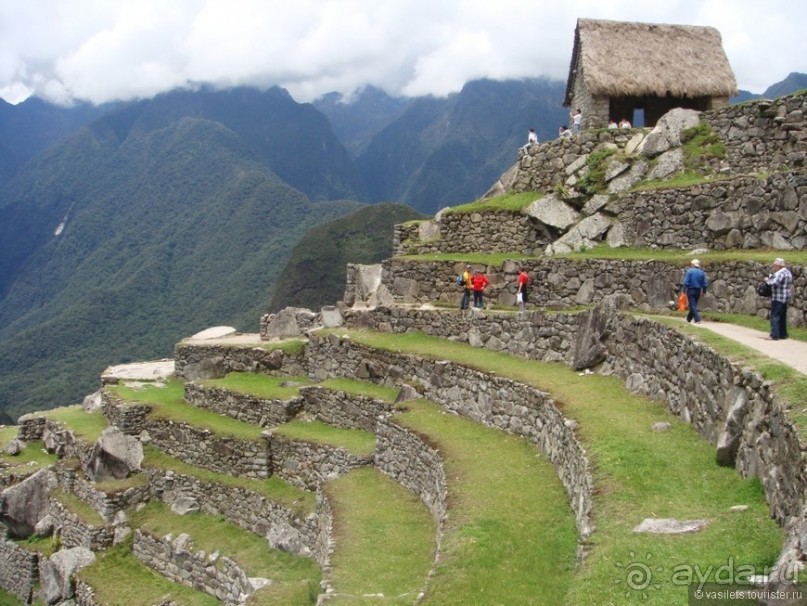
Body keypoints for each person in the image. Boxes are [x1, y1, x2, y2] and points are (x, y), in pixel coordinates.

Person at [765, 257, 793, 340]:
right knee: (782, 316)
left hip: (778, 297)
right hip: (785, 297)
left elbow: (774, 283)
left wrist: (767, 280)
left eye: (775, 265)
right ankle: (783, 334)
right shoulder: (787, 272)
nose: (774, 267)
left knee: (775, 316)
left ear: (779, 266)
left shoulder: (781, 273)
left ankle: (774, 335)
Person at [681, 259, 708, 324]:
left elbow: (686, 282)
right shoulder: (702, 272)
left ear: (693, 265)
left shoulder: (690, 271)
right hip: (698, 291)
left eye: (691, 264)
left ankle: (697, 319)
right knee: (693, 305)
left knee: (692, 305)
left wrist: (684, 290)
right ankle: (688, 319)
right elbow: (705, 284)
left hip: (691, 290)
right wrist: (704, 291)